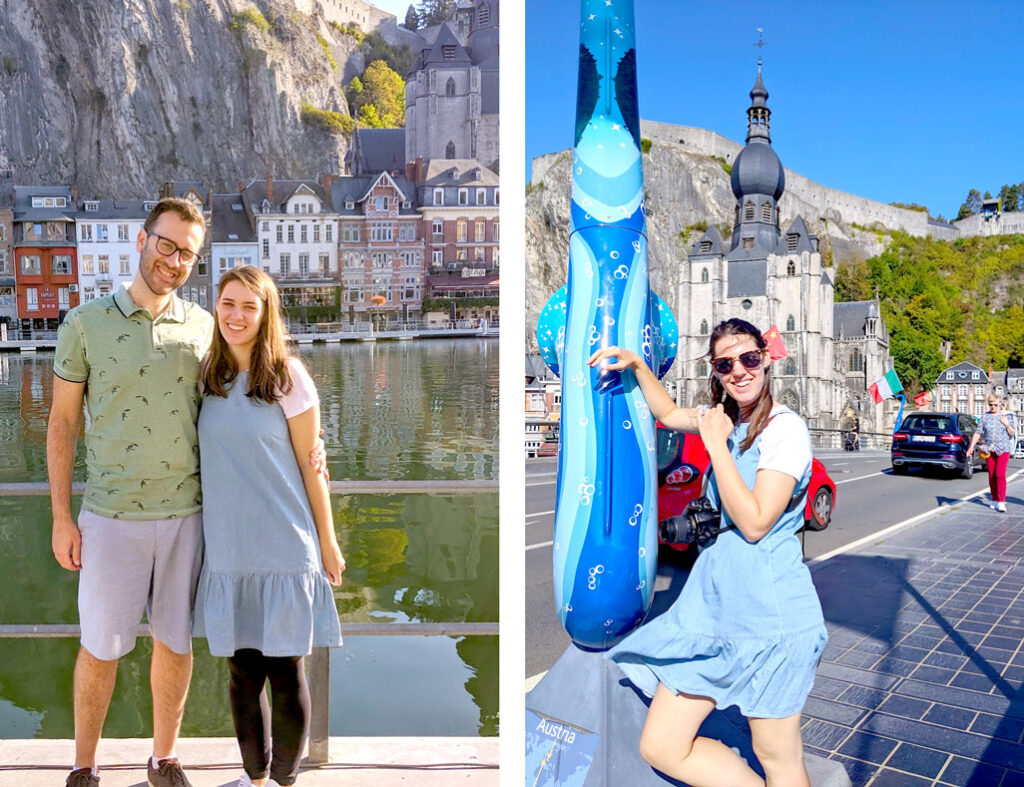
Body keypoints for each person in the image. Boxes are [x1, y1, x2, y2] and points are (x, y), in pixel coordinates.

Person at [588, 318, 826, 787]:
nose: (739, 371)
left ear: (767, 358)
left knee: (776, 753)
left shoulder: (785, 430)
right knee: (662, 745)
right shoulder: (727, 420)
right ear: (715, 371)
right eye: (725, 364)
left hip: (771, 617)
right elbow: (671, 414)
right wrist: (637, 365)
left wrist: (716, 444)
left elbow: (756, 521)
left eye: (749, 358)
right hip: (715, 611)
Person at [48, 198, 212, 787]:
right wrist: (62, 517)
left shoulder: (203, 326)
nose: (174, 260)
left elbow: (245, 399)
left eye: (187, 252)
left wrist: (307, 437)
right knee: (99, 648)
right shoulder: (85, 322)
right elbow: (63, 423)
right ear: (143, 240)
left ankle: (163, 759)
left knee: (175, 642)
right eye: (166, 244)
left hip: (186, 516)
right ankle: (83, 768)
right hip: (109, 517)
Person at [193, 265, 344, 787]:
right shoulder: (205, 376)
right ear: (217, 308)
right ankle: (255, 779)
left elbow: (311, 464)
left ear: (265, 314)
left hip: (284, 545)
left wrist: (328, 541)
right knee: (240, 677)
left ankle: (284, 780)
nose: (236, 315)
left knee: (285, 673)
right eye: (228, 303)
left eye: (248, 307)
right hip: (229, 551)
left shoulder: (287, 376)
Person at [967, 394, 1017, 513]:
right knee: (992, 475)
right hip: (989, 449)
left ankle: (1001, 501)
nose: (993, 407)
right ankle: (994, 499)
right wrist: (971, 447)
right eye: (991, 405)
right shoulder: (985, 417)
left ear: (1000, 405)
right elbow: (978, 432)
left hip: (1003, 448)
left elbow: (1012, 433)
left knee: (1000, 474)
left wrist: (1006, 424)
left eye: (995, 405)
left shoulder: (1006, 416)